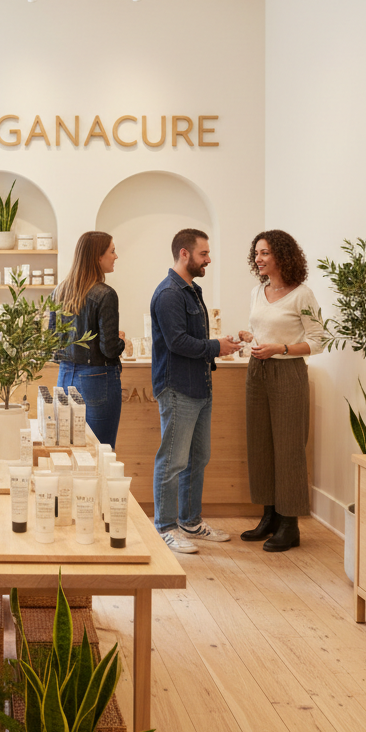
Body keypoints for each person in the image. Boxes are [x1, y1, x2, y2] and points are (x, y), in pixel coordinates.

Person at [150, 228, 240, 554]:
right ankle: (165, 528)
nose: (209, 259)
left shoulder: (192, 290)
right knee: (172, 462)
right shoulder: (169, 294)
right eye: (204, 253)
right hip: (178, 389)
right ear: (184, 254)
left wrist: (220, 344)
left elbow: (194, 339)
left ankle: (190, 521)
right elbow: (177, 343)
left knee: (198, 458)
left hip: (200, 387)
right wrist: (218, 346)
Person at [236, 230, 324, 552]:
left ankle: (290, 524)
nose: (258, 259)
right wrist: (252, 336)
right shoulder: (257, 292)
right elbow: (264, 328)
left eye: (265, 253)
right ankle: (269, 516)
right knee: (260, 444)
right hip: (257, 371)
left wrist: (282, 348)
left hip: (288, 373)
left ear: (282, 256)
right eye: (256, 253)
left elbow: (319, 340)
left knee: (289, 447)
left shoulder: (303, 294)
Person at [53, 231, 126, 447]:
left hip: (64, 377)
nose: (116, 256)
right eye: (112, 251)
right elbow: (110, 349)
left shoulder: (59, 291)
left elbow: (51, 342)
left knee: (68, 450)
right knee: (100, 451)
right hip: (97, 379)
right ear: (97, 257)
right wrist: (121, 339)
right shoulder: (105, 294)